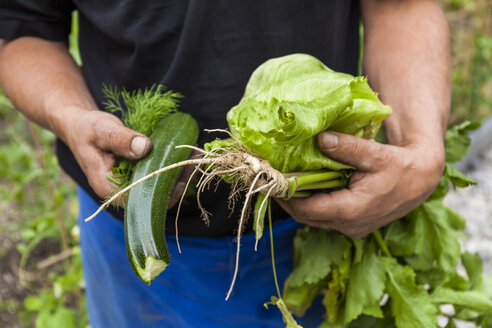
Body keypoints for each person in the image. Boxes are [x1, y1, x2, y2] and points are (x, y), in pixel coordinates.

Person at [0, 0, 451, 327]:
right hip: (127, 225)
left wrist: (421, 148)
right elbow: (21, 28)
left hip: (321, 227)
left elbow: (402, 5)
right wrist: (74, 116)